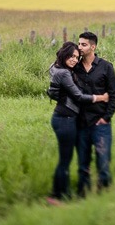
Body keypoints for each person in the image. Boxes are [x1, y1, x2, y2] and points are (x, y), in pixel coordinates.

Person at [46, 41, 109, 205]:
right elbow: (79, 97)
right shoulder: (64, 74)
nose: (74, 60)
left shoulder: (59, 69)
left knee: (66, 159)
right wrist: (100, 97)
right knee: (65, 160)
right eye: (71, 56)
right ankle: (57, 196)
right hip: (65, 120)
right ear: (64, 54)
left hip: (64, 119)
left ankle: (63, 193)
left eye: (77, 57)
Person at [73, 31, 115, 195]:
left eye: (83, 44)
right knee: (83, 164)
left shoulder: (106, 67)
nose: (80, 47)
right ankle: (82, 196)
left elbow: (113, 96)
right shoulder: (74, 67)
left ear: (93, 46)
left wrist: (106, 118)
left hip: (100, 123)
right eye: (79, 44)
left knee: (103, 162)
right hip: (81, 123)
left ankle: (104, 194)